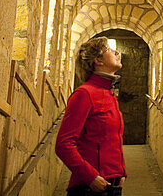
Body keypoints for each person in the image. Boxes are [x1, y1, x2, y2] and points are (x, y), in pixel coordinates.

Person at [55, 36, 128, 194]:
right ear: (98, 61)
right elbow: (63, 145)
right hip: (89, 188)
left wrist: (121, 173)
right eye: (109, 50)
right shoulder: (84, 93)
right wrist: (90, 176)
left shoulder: (109, 95)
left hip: (113, 186)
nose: (116, 52)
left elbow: (112, 141)